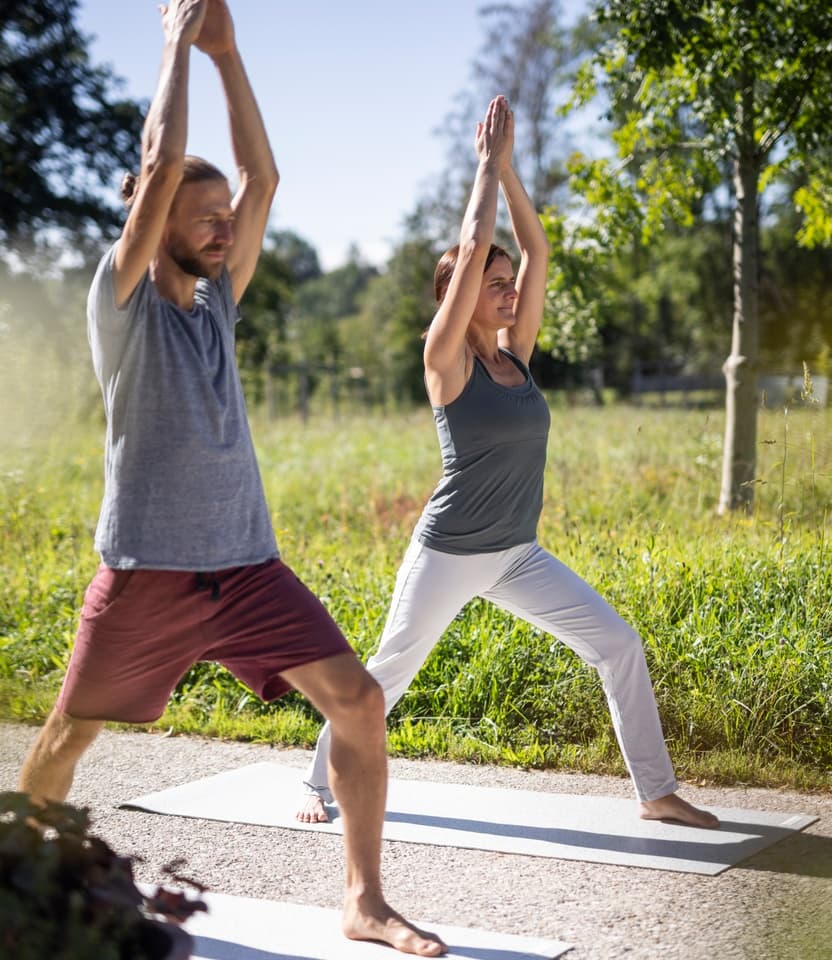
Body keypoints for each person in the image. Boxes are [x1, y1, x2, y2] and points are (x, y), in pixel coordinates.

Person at [17, 2, 445, 954]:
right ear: (149, 215)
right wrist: (173, 45)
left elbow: (265, 177)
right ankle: (17, 876)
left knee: (360, 704)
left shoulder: (216, 305)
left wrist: (230, 53)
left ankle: (363, 901)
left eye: (224, 221)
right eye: (201, 218)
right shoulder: (121, 302)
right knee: (66, 737)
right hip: (149, 573)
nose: (222, 228)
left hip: (248, 568)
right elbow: (165, 163)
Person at [297, 95, 719, 832]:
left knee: (618, 644)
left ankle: (656, 792)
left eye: (506, 283)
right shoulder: (445, 360)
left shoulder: (515, 357)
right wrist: (484, 173)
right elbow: (477, 236)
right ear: (455, 301)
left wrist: (512, 172)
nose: (511, 290)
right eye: (494, 285)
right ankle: (315, 782)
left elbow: (538, 252)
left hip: (517, 553)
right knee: (388, 673)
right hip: (450, 553)